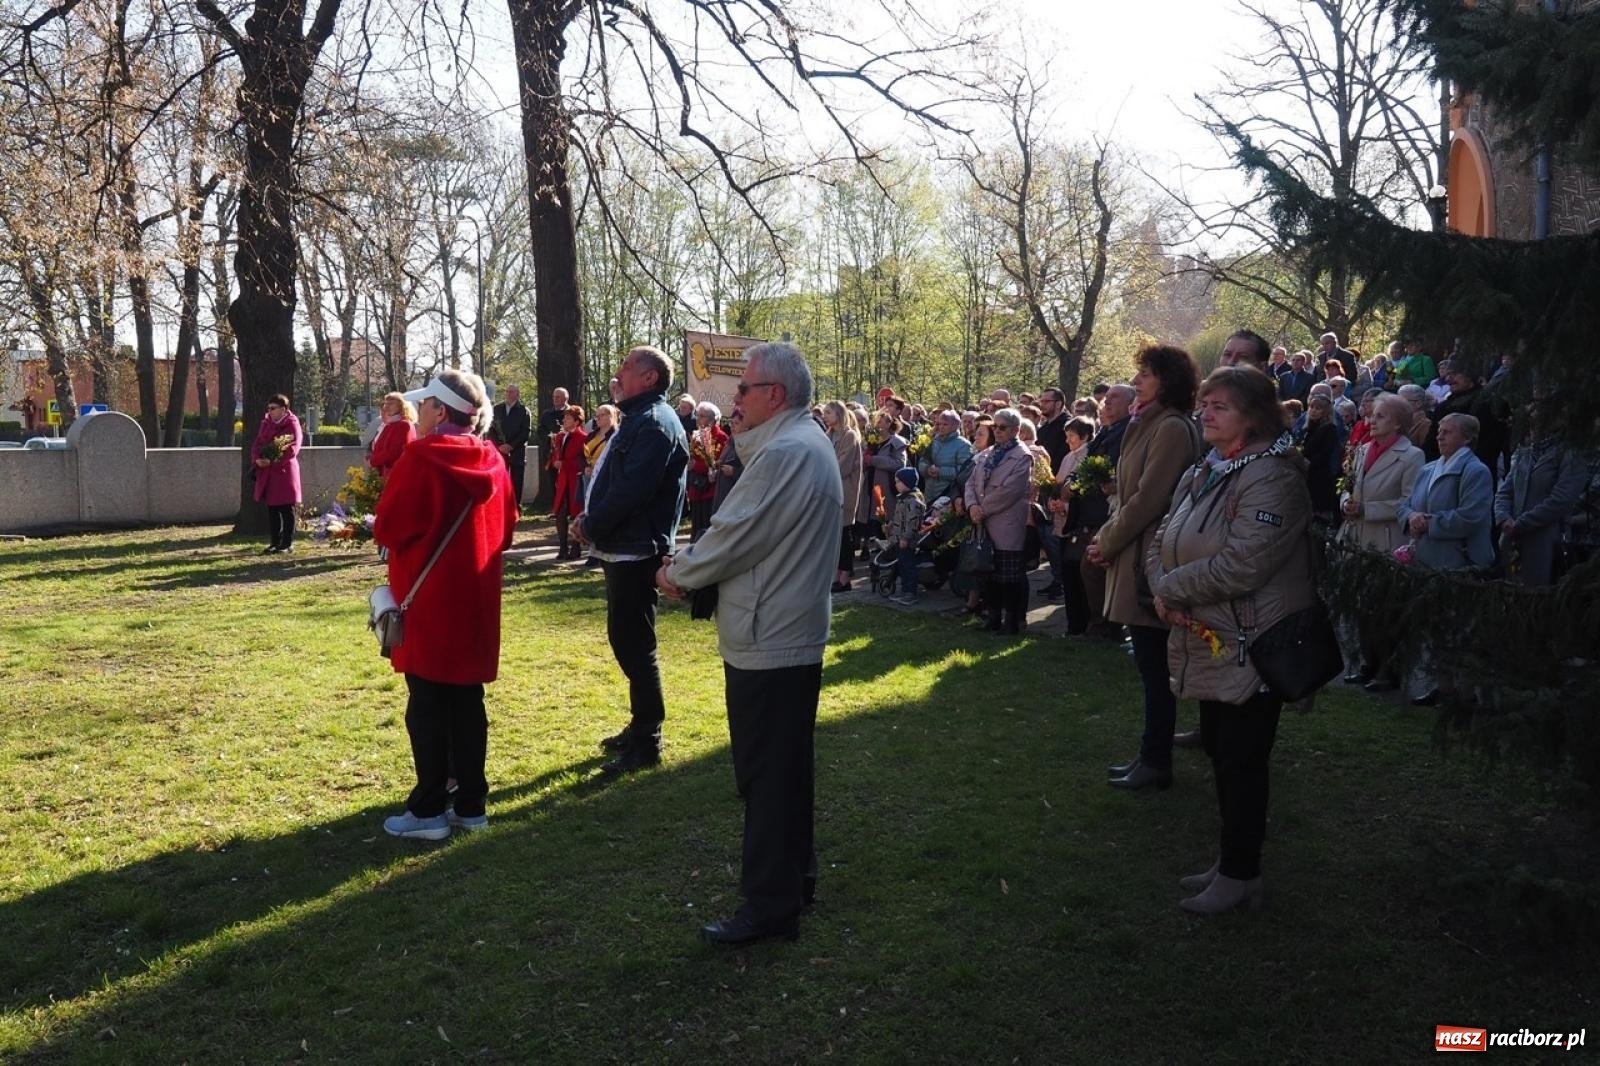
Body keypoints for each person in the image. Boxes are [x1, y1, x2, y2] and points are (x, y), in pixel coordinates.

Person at [657, 342, 842, 946]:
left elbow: (736, 534)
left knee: (767, 778)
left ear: (775, 395)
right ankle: (793, 882)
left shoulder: (788, 451)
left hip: (773, 638)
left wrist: (677, 573)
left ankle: (769, 907)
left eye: (744, 389)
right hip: (780, 631)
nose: (733, 399)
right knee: (784, 772)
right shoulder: (796, 444)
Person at [1146, 366, 1311, 913]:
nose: (1205, 414)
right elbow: (1164, 536)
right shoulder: (1208, 468)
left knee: (1242, 761)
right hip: (1214, 634)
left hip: (1253, 643)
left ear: (1253, 416)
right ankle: (1232, 862)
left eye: (1219, 406)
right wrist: (1163, 585)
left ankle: (1242, 874)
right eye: (1204, 404)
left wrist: (1172, 587)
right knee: (1221, 752)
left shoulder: (1273, 477)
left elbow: (1245, 563)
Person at [374, 368, 517, 840]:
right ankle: (471, 805)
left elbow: (390, 527)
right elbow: (508, 527)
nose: (420, 412)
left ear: (440, 410)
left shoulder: (421, 457)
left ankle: (429, 809)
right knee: (467, 703)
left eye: (426, 405)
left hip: (429, 600)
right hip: (475, 599)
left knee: (428, 705)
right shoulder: (493, 459)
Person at [1089, 346, 1202, 790]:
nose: (1136, 380)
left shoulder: (1171, 427)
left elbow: (1150, 499)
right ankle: (1150, 755)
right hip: (1133, 547)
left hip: (1148, 557)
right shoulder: (1148, 423)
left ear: (1167, 381)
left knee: (1155, 669)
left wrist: (1107, 541)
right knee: (1149, 667)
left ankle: (1155, 761)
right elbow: (1129, 493)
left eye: (1146, 374)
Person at [575, 346, 689, 774]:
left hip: (636, 547)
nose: (618, 374)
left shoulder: (655, 423)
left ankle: (648, 740)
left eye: (627, 367)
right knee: (626, 640)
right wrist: (591, 520)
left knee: (636, 645)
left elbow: (632, 490)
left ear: (649, 378)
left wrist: (592, 524)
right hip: (623, 544)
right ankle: (640, 725)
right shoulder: (640, 419)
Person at [1395, 413, 1495, 706]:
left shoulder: (1475, 471)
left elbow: (1471, 517)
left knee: (1460, 629)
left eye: (1448, 432)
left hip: (1459, 562)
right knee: (1435, 626)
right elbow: (1405, 506)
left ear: (1467, 438)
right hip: (1427, 560)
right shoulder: (1428, 469)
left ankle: (1466, 694)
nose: (1439, 436)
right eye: (1439, 431)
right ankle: (1443, 686)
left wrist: (1429, 523)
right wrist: (1411, 516)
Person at [1339, 393, 1425, 690]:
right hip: (1356, 536)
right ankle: (1368, 663)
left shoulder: (1412, 456)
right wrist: (1346, 501)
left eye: (1380, 416)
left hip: (1386, 539)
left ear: (1398, 423)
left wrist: (1368, 509)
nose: (1371, 421)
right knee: (1361, 604)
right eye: (1371, 415)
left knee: (1385, 607)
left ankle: (1389, 670)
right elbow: (1347, 485)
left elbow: (1409, 501)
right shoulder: (1362, 450)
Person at [1495, 408, 1591, 586]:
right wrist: (1503, 518)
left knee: (1540, 592)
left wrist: (1521, 523)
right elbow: (1505, 492)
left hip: (1547, 541)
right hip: (1513, 541)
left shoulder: (1571, 453)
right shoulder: (1524, 453)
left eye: (1537, 421)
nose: (1532, 427)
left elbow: (1561, 500)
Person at [965, 407, 1037, 635]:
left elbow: (1011, 491)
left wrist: (982, 509)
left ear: (1015, 430)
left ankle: (1012, 622)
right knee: (989, 576)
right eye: (994, 426)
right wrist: (972, 506)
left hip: (1006, 524)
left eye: (1002, 427)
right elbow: (970, 483)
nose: (997, 431)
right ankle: (993, 618)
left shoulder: (1022, 456)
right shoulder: (987, 454)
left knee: (1009, 579)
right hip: (984, 523)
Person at [1076, 383, 1134, 636]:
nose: (1107, 402)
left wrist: (1110, 482)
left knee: (1094, 565)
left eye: (1115, 398)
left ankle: (1106, 626)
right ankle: (1096, 623)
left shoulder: (1129, 431)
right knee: (1090, 566)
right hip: (1093, 509)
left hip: (1113, 509)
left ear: (1131, 404)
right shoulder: (1106, 431)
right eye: (1106, 398)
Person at [251, 393, 303, 554]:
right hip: (268, 472)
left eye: (273, 408)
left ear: (283, 409)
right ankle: (275, 542)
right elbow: (257, 443)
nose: (270, 411)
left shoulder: (292, 424)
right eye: (269, 408)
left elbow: (292, 449)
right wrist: (257, 459)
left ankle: (287, 543)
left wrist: (272, 461)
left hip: (284, 472)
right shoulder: (266, 423)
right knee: (272, 509)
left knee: (286, 509)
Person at [822, 400, 863, 592]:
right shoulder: (828, 435)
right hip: (828, 491)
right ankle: (834, 575)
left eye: (828, 412)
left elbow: (843, 466)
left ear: (839, 414)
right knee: (834, 537)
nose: (824, 416)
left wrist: (822, 469)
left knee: (845, 535)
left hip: (844, 491)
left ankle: (845, 577)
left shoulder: (849, 436)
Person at [687, 401, 728, 542]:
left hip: (710, 491)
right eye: (697, 415)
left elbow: (718, 463)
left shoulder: (721, 437)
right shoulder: (697, 435)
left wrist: (696, 465)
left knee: (706, 531)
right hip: (696, 488)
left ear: (712, 419)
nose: (698, 419)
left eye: (702, 416)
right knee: (696, 530)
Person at [550, 404, 588, 560]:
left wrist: (564, 464)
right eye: (564, 417)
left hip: (575, 480)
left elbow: (582, 461)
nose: (564, 420)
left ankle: (576, 546)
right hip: (562, 480)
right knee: (560, 513)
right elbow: (557, 455)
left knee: (576, 512)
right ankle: (563, 547)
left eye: (568, 418)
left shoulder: (582, 438)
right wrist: (555, 461)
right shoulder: (560, 437)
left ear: (576, 421)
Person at [1299, 394, 1342, 525]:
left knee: (1318, 517)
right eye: (1311, 407)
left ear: (1326, 411)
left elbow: (1325, 453)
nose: (1313, 410)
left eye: (1318, 408)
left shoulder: (1329, 429)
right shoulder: (1307, 428)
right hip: (1305, 474)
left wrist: (1308, 463)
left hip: (1319, 477)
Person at [488, 384, 532, 509]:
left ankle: (515, 507)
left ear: (517, 394)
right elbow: (490, 430)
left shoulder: (524, 411)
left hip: (517, 451)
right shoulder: (496, 409)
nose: (508, 393)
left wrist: (511, 446)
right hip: (500, 451)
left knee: (516, 480)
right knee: (500, 478)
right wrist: (499, 445)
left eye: (511, 391)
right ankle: (500, 506)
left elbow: (525, 432)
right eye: (507, 391)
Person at [888, 466, 927, 605]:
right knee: (902, 566)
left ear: (907, 482)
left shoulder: (913, 500)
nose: (896, 484)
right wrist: (891, 526)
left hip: (908, 541)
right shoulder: (903, 499)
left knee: (909, 566)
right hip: (899, 539)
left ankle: (911, 592)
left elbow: (912, 522)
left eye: (898, 481)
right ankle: (904, 590)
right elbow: (900, 517)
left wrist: (906, 537)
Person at [919, 409, 974, 504]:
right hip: (929, 492)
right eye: (939, 424)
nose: (941, 427)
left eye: (945, 424)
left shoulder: (963, 445)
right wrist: (927, 469)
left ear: (955, 425)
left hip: (948, 496)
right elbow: (923, 461)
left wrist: (941, 472)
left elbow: (965, 472)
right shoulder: (934, 441)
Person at [368, 391, 418, 478]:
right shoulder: (390, 425)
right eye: (386, 403)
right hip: (385, 472)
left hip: (396, 473)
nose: (386, 406)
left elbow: (393, 452)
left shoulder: (403, 424)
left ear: (401, 406)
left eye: (391, 404)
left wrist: (372, 461)